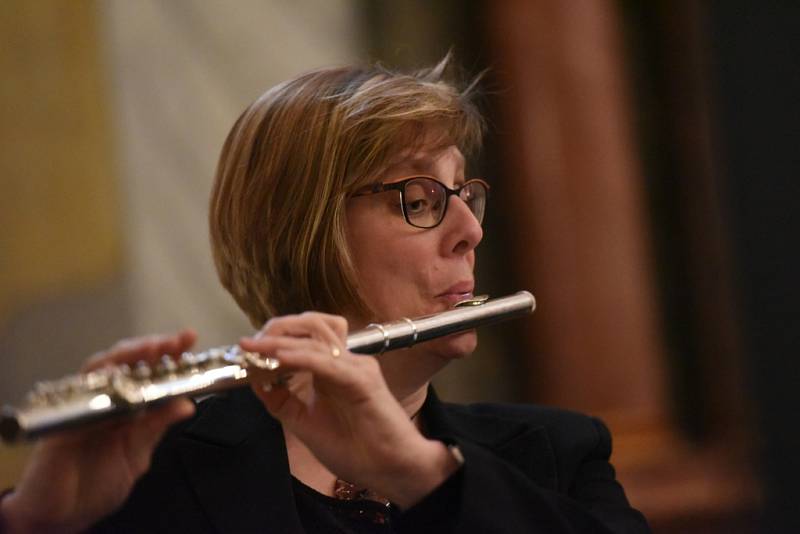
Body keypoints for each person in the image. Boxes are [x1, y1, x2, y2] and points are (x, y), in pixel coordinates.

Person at [0, 57, 650, 533]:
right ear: (303, 228)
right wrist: (33, 525)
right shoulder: (148, 478)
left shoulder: (555, 458)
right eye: (420, 200)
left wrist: (423, 476)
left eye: (466, 194)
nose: (470, 231)